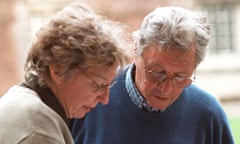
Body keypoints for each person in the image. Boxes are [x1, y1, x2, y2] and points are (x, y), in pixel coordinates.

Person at [70, 6, 235, 144]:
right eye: (157, 73)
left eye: (180, 77)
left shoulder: (208, 114)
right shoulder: (88, 99)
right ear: (136, 50)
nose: (166, 89)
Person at [0, 1, 130, 144]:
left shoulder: (20, 101)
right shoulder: (40, 132)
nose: (105, 99)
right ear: (58, 70)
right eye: (98, 85)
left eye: (109, 86)